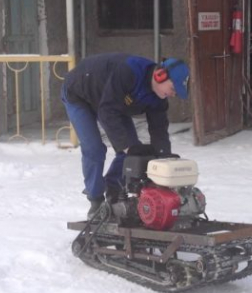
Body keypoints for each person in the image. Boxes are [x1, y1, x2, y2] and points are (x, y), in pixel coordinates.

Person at [61, 53, 190, 218]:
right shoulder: (130, 71)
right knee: (94, 149)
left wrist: (164, 156)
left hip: (111, 101)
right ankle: (96, 201)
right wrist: (127, 146)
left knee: (130, 153)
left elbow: (159, 130)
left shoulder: (159, 99)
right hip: (78, 92)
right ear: (160, 76)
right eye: (173, 89)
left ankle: (113, 191)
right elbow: (107, 112)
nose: (173, 95)